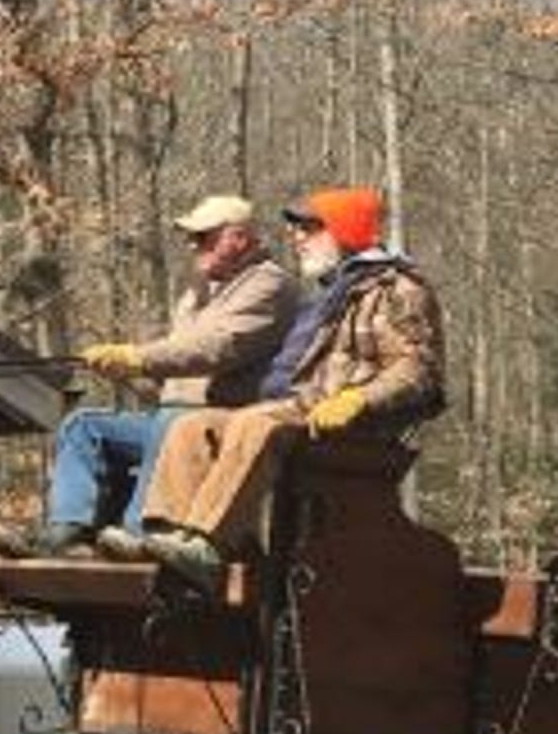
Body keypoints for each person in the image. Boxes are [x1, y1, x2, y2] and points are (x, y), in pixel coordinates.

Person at [128, 184, 444, 588]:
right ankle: (167, 536)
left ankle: (207, 545)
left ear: (343, 232)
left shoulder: (398, 289)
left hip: (355, 426)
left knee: (255, 425)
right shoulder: (333, 292)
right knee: (193, 426)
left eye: (310, 229)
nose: (296, 238)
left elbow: (420, 371)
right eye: (296, 230)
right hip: (300, 409)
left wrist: (359, 399)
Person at [0, 195, 299, 559]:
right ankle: (66, 535)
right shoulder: (197, 294)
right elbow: (171, 379)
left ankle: (138, 533)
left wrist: (137, 358)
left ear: (240, 238)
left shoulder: (269, 286)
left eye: (203, 237)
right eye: (192, 238)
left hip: (224, 424)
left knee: (172, 423)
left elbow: (217, 349)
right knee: (83, 426)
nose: (192, 246)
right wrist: (120, 369)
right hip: (175, 415)